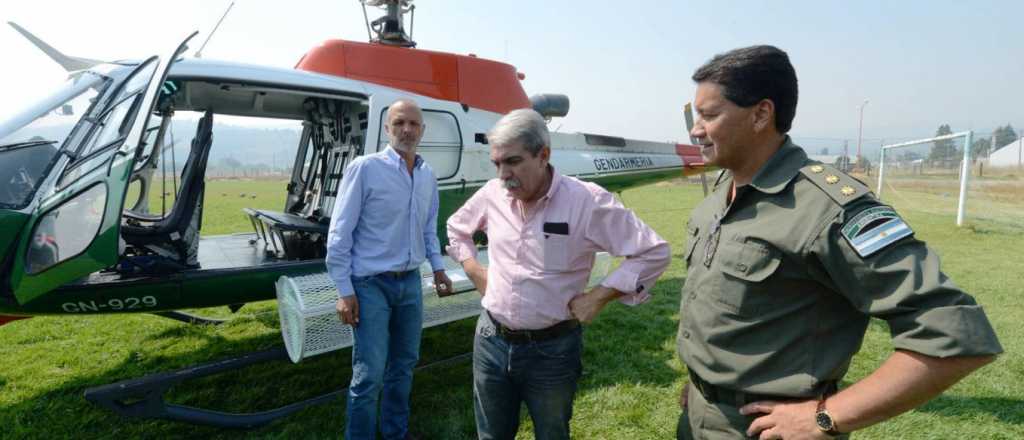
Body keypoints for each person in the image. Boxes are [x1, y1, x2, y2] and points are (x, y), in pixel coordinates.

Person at [675, 45, 1003, 439]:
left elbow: (954, 334)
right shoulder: (723, 192)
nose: (696, 129)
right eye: (696, 116)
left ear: (761, 113)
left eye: (710, 115)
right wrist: (704, 387)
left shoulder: (828, 208)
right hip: (699, 416)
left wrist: (827, 417)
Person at [446, 109, 671, 440]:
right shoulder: (493, 194)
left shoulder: (586, 201)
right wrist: (474, 269)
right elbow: (456, 228)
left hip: (552, 351)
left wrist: (599, 296)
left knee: (551, 433)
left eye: (513, 161)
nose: (503, 174)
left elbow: (654, 251)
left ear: (544, 155)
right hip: (490, 340)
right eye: (497, 164)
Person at [326, 98, 453, 440]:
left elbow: (429, 228)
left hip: (410, 283)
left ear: (422, 130)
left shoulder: (427, 175)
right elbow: (340, 232)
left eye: (413, 124)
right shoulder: (365, 169)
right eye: (399, 123)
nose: (407, 130)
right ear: (386, 128)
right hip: (369, 286)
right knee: (368, 374)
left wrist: (438, 268)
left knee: (404, 366)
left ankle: (396, 433)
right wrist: (344, 290)